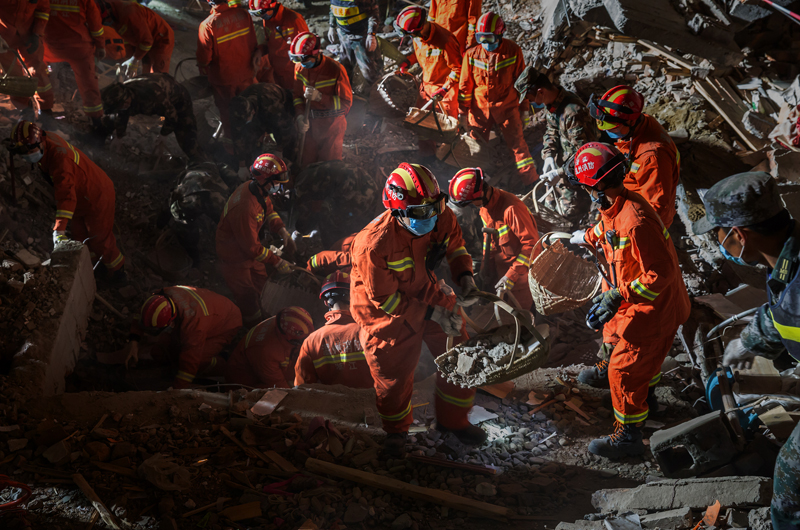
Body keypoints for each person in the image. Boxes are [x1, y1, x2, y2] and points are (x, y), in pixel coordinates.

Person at [349, 162, 484, 456]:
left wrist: (465, 277)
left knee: (462, 357)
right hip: (384, 315)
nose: (433, 218)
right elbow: (386, 299)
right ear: (398, 210)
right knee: (393, 377)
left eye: (437, 208)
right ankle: (396, 433)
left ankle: (453, 422)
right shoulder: (373, 245)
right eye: (423, 213)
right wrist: (434, 314)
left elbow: (455, 246)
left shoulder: (435, 212)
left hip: (426, 292)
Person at [691, 171, 800, 529]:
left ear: (739, 234)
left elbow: (784, 316)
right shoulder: (791, 254)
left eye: (718, 234)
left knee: (791, 473)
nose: (720, 242)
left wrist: (747, 343)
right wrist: (751, 340)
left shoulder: (794, 302)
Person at [569, 143, 689, 458]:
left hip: (656, 308)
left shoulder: (635, 220)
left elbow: (659, 274)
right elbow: (608, 227)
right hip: (646, 305)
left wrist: (616, 296)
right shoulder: (619, 202)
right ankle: (650, 401)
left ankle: (628, 438)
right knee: (639, 362)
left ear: (593, 186)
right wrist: (586, 237)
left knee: (621, 370)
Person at [8, 120, 125, 281]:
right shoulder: (44, 139)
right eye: (23, 153)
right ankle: (95, 269)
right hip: (81, 195)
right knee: (79, 236)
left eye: (30, 151)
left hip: (97, 195)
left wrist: (59, 230)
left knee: (100, 239)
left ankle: (118, 274)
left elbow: (67, 196)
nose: (28, 156)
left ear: (39, 142)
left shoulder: (60, 159)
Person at [215, 153, 295, 325]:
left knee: (262, 285)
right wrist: (277, 262)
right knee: (248, 297)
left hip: (251, 251)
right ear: (263, 179)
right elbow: (251, 248)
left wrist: (282, 231)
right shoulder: (245, 207)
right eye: (277, 183)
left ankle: (265, 311)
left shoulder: (258, 190)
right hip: (234, 258)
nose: (280, 187)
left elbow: (269, 210)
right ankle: (255, 325)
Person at [458, 12, 537, 187]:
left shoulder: (513, 51)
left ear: (501, 34)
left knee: (518, 146)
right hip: (478, 110)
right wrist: (462, 113)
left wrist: (524, 110)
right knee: (475, 148)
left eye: (490, 39)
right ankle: (474, 185)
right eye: (482, 39)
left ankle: (530, 181)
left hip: (507, 108)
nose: (486, 44)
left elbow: (522, 83)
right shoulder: (471, 55)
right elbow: (465, 88)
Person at [588, 85, 679, 228]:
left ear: (630, 121)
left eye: (613, 128)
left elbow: (656, 209)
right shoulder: (641, 123)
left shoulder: (651, 157)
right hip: (633, 198)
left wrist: (620, 225)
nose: (609, 132)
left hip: (647, 224)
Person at [449, 167, 539, 310]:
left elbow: (533, 246)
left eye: (472, 202)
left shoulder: (511, 208)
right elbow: (489, 243)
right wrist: (485, 272)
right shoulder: (485, 208)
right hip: (500, 275)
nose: (472, 206)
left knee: (519, 321)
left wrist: (511, 275)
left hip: (520, 281)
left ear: (482, 193)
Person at [516, 65, 597, 219]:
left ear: (540, 92)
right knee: (549, 212)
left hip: (576, 178)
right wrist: (548, 156)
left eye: (530, 99)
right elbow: (551, 131)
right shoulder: (552, 105)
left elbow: (586, 155)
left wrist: (560, 173)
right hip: (561, 173)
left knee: (567, 216)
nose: (531, 103)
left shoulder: (573, 112)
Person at [126, 286, 242, 389]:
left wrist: (178, 389)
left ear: (171, 322)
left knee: (199, 361)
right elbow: (142, 315)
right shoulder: (159, 298)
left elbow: (190, 360)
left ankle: (225, 364)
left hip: (227, 322)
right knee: (160, 351)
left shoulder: (194, 325)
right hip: (210, 312)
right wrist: (134, 343)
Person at [196, 0, 259, 155]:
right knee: (251, 110)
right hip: (246, 74)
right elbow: (253, 44)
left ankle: (233, 154)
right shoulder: (243, 15)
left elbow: (204, 59)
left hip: (223, 80)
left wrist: (204, 72)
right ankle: (255, 148)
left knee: (229, 115)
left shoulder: (207, 25)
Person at [295, 271, 374, 388]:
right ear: (353, 297)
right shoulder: (369, 331)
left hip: (331, 405)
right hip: (373, 404)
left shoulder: (311, 341)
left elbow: (302, 387)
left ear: (326, 302)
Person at [100, 74, 202, 160]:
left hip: (179, 100)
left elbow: (172, 116)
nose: (123, 107)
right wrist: (119, 136)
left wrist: (163, 135)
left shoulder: (154, 96)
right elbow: (122, 114)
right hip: (154, 94)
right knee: (110, 119)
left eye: (122, 105)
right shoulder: (124, 93)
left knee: (187, 138)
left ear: (126, 100)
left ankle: (201, 161)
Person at [290, 32, 352, 167]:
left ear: (317, 54)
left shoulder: (335, 70)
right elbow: (297, 97)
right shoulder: (299, 68)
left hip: (332, 126)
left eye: (305, 60)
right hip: (310, 125)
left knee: (329, 167)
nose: (302, 63)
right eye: (299, 59)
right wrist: (300, 116)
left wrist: (320, 98)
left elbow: (346, 104)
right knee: (306, 164)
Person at [43, 0, 105, 128]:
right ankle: (96, 120)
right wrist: (100, 46)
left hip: (49, 46)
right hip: (78, 47)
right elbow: (95, 24)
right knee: (88, 82)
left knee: (38, 71)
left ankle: (44, 111)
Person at [393, 6, 462, 119]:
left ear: (417, 30)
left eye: (410, 34)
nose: (410, 37)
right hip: (426, 88)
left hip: (445, 92)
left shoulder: (446, 41)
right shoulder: (418, 37)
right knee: (422, 122)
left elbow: (458, 69)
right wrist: (408, 62)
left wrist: (444, 89)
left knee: (446, 125)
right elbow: (420, 53)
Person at [225, 306, 314, 388]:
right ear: (289, 338)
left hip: (267, 368)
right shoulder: (266, 350)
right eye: (300, 340)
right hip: (245, 383)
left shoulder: (284, 321)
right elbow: (278, 385)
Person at [0, 0, 55, 114]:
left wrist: (37, 33)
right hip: (4, 38)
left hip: (29, 35)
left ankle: (46, 109)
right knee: (14, 76)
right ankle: (25, 109)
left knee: (38, 71)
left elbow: (43, 9)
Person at [95, 0, 174, 76]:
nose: (107, 23)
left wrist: (135, 59)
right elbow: (128, 39)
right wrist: (128, 59)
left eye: (105, 20)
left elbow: (147, 41)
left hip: (161, 38)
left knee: (158, 74)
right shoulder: (114, 16)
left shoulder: (130, 13)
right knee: (146, 74)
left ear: (108, 11)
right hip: (144, 39)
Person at [228, 82, 298, 164]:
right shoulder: (237, 108)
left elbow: (286, 129)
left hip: (283, 104)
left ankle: (290, 167)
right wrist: (241, 163)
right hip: (260, 110)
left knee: (290, 144)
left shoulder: (271, 106)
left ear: (253, 112)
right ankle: (251, 164)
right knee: (248, 135)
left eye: (246, 121)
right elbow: (238, 135)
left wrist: (279, 150)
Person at [248, 0, 308, 90]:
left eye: (260, 13)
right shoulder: (267, 20)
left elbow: (307, 48)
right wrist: (260, 51)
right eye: (256, 14)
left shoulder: (294, 19)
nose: (260, 17)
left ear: (272, 6)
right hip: (277, 73)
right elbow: (268, 41)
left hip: (294, 74)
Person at [326, 0, 381, 89]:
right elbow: (333, 9)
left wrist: (371, 34)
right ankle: (348, 93)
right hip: (343, 35)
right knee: (344, 68)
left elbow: (373, 13)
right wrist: (331, 27)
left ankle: (379, 93)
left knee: (369, 71)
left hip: (360, 36)